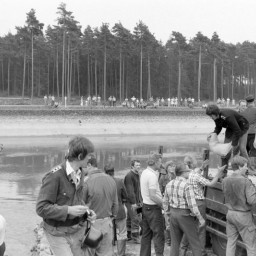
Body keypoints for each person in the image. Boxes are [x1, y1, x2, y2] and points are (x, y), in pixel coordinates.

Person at [36, 136, 96, 256]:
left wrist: (87, 212)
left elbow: (76, 199)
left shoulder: (81, 172)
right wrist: (68, 210)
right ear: (80, 156)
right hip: (56, 233)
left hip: (76, 230)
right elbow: (41, 208)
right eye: (89, 155)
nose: (91, 158)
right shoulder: (54, 176)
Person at [180, 155, 225, 256]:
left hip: (188, 202)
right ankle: (201, 252)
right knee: (201, 227)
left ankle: (182, 250)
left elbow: (195, 174)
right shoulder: (196, 176)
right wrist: (218, 173)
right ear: (192, 163)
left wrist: (202, 167)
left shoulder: (185, 175)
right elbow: (210, 184)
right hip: (198, 203)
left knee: (188, 227)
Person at [163, 163, 205, 256]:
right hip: (185, 215)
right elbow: (192, 205)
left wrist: (167, 215)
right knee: (195, 242)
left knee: (175, 243)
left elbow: (165, 202)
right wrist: (200, 218)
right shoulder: (187, 185)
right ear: (183, 173)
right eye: (188, 171)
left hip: (173, 214)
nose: (189, 173)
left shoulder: (169, 184)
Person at [83, 156, 118, 256]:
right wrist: (111, 218)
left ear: (89, 165)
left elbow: (80, 205)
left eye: (83, 166)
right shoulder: (111, 180)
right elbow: (116, 205)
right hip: (107, 223)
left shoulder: (86, 181)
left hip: (91, 226)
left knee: (88, 253)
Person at [222, 155, 256, 256]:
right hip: (243, 216)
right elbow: (252, 201)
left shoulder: (225, 180)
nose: (246, 168)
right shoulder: (245, 181)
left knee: (231, 242)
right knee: (251, 246)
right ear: (240, 167)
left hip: (230, 214)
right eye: (245, 166)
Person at [206, 104, 250, 172]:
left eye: (211, 115)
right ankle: (224, 172)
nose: (210, 117)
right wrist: (213, 135)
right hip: (230, 128)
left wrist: (234, 144)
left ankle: (248, 169)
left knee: (241, 149)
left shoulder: (227, 116)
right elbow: (218, 127)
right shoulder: (216, 118)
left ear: (215, 113)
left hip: (242, 127)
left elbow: (237, 130)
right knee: (225, 152)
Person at [139, 153, 165, 256]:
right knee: (159, 235)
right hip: (153, 208)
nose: (161, 163)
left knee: (146, 235)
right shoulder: (152, 176)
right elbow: (153, 195)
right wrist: (163, 205)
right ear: (155, 162)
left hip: (145, 206)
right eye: (160, 161)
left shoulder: (144, 172)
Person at [104, 163, 128, 256]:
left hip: (107, 211)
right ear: (113, 172)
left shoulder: (103, 183)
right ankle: (120, 254)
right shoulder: (119, 181)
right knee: (122, 233)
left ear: (105, 172)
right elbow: (125, 196)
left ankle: (110, 253)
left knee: (109, 233)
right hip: (119, 210)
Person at [124, 160, 143, 244]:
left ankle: (128, 235)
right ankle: (136, 237)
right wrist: (134, 203)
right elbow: (130, 191)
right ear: (132, 166)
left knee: (130, 217)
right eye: (136, 165)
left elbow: (138, 189)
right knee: (135, 218)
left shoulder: (137, 174)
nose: (138, 166)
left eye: (139, 165)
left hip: (137, 200)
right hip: (131, 201)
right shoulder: (129, 176)